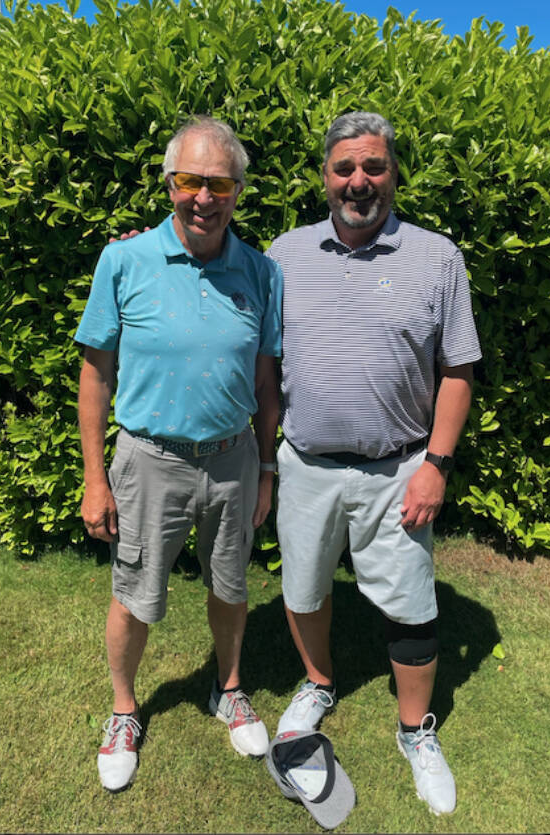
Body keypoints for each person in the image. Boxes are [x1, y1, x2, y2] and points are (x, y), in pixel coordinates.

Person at [265, 111, 481, 816]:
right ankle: (320, 682)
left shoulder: (437, 257)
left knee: (413, 606)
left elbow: (456, 371)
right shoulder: (283, 254)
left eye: (374, 167)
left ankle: (416, 730)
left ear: (393, 173)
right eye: (345, 167)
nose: (360, 181)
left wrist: (437, 465)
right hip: (305, 463)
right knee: (303, 588)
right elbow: (260, 354)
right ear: (325, 176)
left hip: (399, 468)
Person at [76, 116, 282, 791]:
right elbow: (96, 372)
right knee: (134, 592)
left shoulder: (261, 270)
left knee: (231, 585)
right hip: (148, 458)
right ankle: (124, 708)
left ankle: (228, 688)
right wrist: (94, 477)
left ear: (237, 190)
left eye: (218, 182)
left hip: (232, 459)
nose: (203, 196)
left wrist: (267, 467)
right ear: (169, 184)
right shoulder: (124, 260)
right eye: (190, 180)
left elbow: (264, 380)